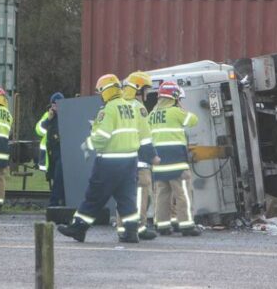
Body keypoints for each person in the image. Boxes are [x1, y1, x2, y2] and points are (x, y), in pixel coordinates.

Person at [57, 74, 152, 243]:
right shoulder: (131, 107)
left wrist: (88, 145)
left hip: (109, 162)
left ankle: (78, 228)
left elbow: (102, 137)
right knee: (127, 198)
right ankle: (131, 232)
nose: (100, 95)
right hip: (130, 161)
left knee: (94, 196)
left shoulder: (108, 109)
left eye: (100, 91)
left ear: (106, 91)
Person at [150, 81, 200, 236]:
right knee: (183, 192)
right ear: (174, 96)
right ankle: (186, 225)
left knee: (162, 194)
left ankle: (163, 225)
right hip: (176, 161)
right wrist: (180, 105)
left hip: (159, 161)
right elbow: (193, 120)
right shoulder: (175, 112)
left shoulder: (152, 114)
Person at [115, 71, 160, 240]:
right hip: (139, 161)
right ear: (139, 89)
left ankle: (123, 229)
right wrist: (153, 156)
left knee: (124, 196)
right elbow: (145, 136)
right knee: (142, 195)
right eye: (146, 90)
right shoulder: (138, 107)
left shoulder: (118, 105)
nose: (148, 94)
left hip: (120, 159)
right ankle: (136, 228)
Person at [34, 92, 65, 206]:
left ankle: (55, 203)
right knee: (54, 178)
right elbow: (39, 131)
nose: (56, 107)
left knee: (59, 178)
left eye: (58, 104)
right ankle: (57, 203)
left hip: (62, 152)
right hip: (50, 153)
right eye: (54, 104)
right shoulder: (47, 115)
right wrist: (48, 119)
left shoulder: (67, 115)